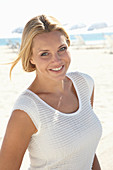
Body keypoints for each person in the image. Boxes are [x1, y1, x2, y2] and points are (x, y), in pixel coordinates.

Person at [0, 14, 102, 170]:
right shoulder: (26, 110)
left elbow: (86, 147)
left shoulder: (84, 84)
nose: (57, 60)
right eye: (44, 54)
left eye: (62, 49)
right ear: (31, 58)